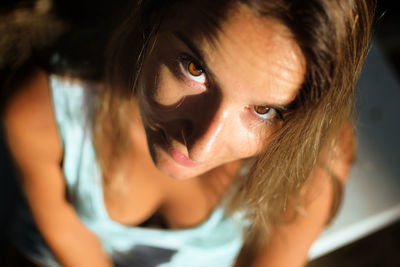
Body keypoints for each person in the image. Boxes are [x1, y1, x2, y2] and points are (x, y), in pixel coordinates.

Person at [2, 0, 375, 266]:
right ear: (153, 14)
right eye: (195, 68)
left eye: (264, 110)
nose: (201, 145)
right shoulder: (45, 110)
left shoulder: (310, 156)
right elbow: (68, 236)